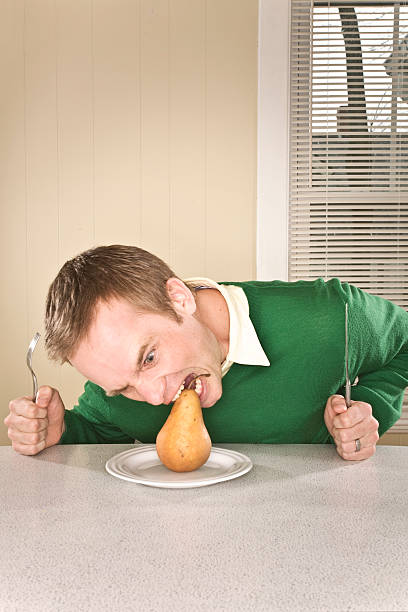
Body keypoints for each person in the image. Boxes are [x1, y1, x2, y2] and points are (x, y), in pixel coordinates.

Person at [5, 244, 408, 461]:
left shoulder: (329, 316)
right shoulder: (117, 389)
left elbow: (404, 345)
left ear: (179, 298)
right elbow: (99, 430)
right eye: (122, 387)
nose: (153, 398)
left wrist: (366, 409)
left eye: (148, 358)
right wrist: (60, 433)